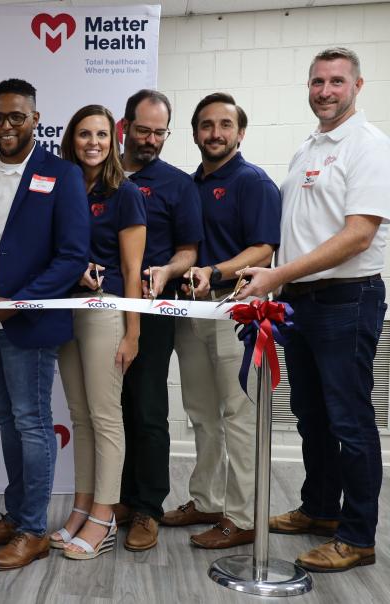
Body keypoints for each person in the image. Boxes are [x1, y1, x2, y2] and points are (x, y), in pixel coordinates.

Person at [238, 47, 390, 573]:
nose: (325, 90)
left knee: (349, 420)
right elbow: (300, 230)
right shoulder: (310, 146)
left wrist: (277, 275)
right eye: (317, 82)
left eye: (336, 82)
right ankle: (321, 509)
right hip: (300, 303)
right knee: (312, 417)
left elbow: (358, 235)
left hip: (346, 300)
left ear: (357, 86)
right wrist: (275, 283)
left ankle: (358, 536)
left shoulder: (368, 146)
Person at [0, 79, 89, 570]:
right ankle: (15, 517)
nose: (6, 126)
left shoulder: (62, 175)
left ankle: (34, 530)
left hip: (28, 323)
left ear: (36, 119)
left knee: (32, 424)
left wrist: (18, 302)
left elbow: (72, 257)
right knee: (7, 422)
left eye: (17, 117)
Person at [166, 93, 281, 550]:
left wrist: (216, 272)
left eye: (225, 125)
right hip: (190, 310)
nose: (215, 133)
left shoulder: (254, 182)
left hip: (236, 309)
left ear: (240, 132)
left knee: (238, 414)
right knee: (200, 412)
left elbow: (264, 249)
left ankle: (245, 516)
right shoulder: (188, 184)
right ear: (195, 133)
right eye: (206, 125)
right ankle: (209, 500)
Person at [51, 105, 146, 560]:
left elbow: (132, 270)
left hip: (106, 313)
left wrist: (133, 332)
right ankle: (81, 507)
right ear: (72, 138)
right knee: (80, 416)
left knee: (106, 417)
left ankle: (105, 517)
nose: (93, 142)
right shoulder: (62, 188)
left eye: (102, 135)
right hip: (66, 311)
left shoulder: (124, 193)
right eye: (85, 133)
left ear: (114, 141)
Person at [116, 90, 203, 552]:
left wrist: (169, 270)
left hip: (152, 311)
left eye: (159, 132)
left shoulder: (176, 183)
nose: (150, 140)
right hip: (96, 312)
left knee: (147, 409)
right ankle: (120, 499)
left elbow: (189, 248)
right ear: (123, 126)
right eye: (143, 129)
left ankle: (147, 507)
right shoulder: (97, 176)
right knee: (109, 412)